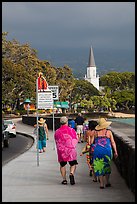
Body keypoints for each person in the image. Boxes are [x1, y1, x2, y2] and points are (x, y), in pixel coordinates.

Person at [90, 118, 118, 189]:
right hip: (107, 151)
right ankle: (107, 182)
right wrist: (115, 151)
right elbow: (113, 142)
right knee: (107, 165)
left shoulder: (95, 132)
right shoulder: (108, 132)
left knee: (99, 166)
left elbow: (91, 142)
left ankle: (101, 184)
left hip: (97, 150)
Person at [54, 116, 79, 185]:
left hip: (61, 151)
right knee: (73, 163)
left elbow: (56, 140)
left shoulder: (57, 131)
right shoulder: (72, 130)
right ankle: (71, 173)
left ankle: (64, 179)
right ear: (67, 122)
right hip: (71, 150)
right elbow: (76, 139)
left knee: (62, 165)